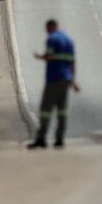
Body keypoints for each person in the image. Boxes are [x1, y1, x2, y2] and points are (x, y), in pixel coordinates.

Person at [29, 19, 78, 149]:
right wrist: (73, 81)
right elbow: (72, 63)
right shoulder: (69, 40)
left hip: (54, 79)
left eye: (47, 29)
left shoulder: (52, 39)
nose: (47, 32)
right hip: (66, 79)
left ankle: (41, 138)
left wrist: (40, 57)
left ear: (51, 27)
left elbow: (49, 56)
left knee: (46, 109)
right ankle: (59, 139)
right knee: (62, 110)